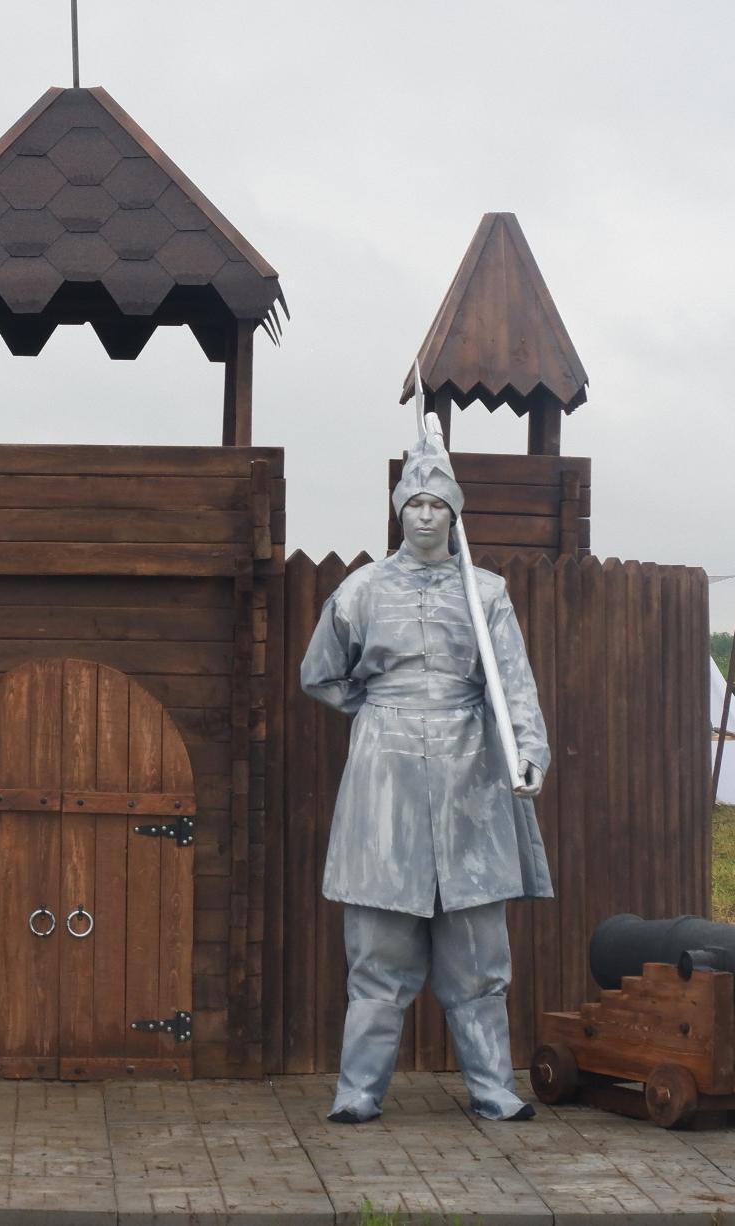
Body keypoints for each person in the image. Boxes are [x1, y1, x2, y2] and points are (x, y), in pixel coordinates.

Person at [300, 418, 551, 1125]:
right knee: (377, 948)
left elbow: (513, 686)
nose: (425, 514)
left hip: (471, 770)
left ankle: (494, 1088)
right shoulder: (361, 591)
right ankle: (358, 1091)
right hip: (386, 776)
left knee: (477, 949)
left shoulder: (488, 593)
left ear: (455, 513)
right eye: (413, 502)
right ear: (398, 510)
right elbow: (320, 674)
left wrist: (527, 754)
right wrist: (377, 708)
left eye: (438, 503)